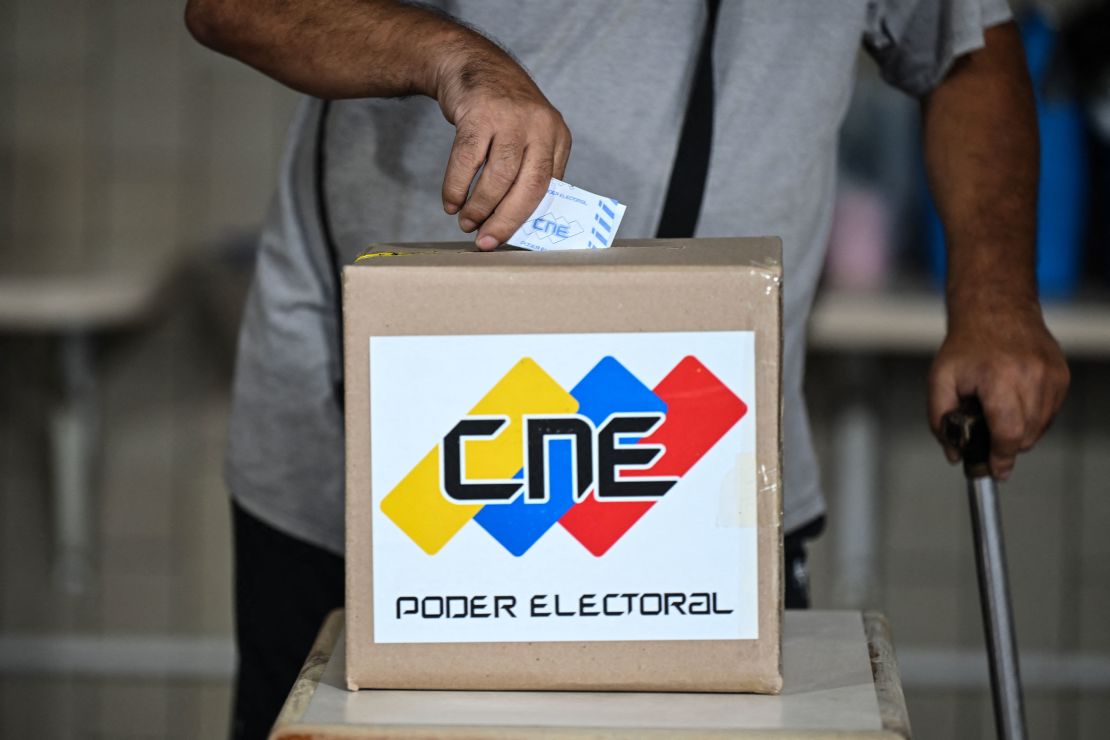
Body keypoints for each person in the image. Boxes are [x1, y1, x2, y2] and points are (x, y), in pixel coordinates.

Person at [185, 1, 1070, 738]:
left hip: (693, 456)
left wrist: (995, 294)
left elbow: (969, 49)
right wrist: (452, 57)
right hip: (383, 469)